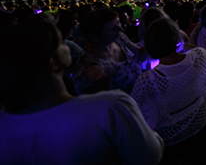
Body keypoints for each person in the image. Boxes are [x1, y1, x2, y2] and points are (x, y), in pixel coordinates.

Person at [0, 18, 164, 165]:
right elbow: (150, 156)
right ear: (52, 63)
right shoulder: (110, 107)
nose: (68, 45)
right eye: (61, 43)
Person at [130, 19, 206, 148]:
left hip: (169, 134)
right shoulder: (199, 55)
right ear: (177, 36)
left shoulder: (148, 79)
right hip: (201, 116)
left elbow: (138, 116)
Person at [72, 8, 143, 95]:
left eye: (118, 23)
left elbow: (139, 54)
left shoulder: (119, 39)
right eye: (112, 28)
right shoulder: (89, 69)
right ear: (94, 36)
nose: (119, 29)